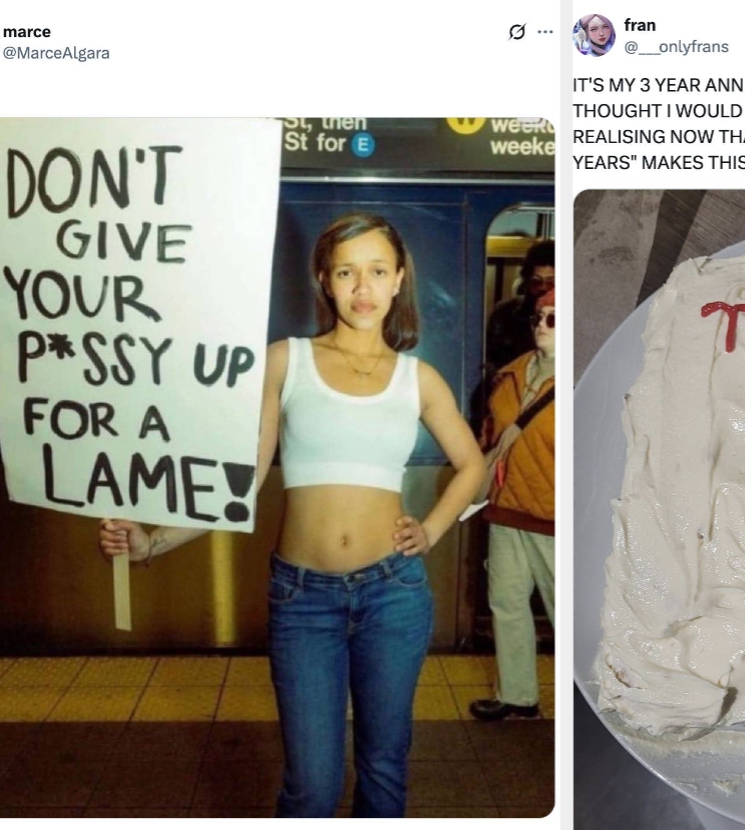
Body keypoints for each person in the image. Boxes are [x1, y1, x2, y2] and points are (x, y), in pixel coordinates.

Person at [97, 212, 484, 818]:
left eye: (378, 272)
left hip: (394, 595)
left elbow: (473, 465)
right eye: (347, 272)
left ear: (399, 279)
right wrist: (153, 543)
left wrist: (431, 529)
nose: (363, 288)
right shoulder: (286, 361)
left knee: (384, 771)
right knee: (312, 784)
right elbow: (240, 481)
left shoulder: (419, 379)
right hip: (303, 601)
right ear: (324, 281)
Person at [470, 290, 555, 721]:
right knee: (505, 600)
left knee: (565, 611)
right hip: (506, 510)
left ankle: (601, 698)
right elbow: (492, 434)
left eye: (554, 319)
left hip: (552, 518)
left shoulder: (580, 383)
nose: (542, 324)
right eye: (539, 317)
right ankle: (518, 696)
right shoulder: (512, 375)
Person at [484, 239, 554, 378]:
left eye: (551, 282)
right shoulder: (504, 313)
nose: (542, 287)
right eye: (536, 281)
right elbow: (487, 356)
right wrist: (497, 375)